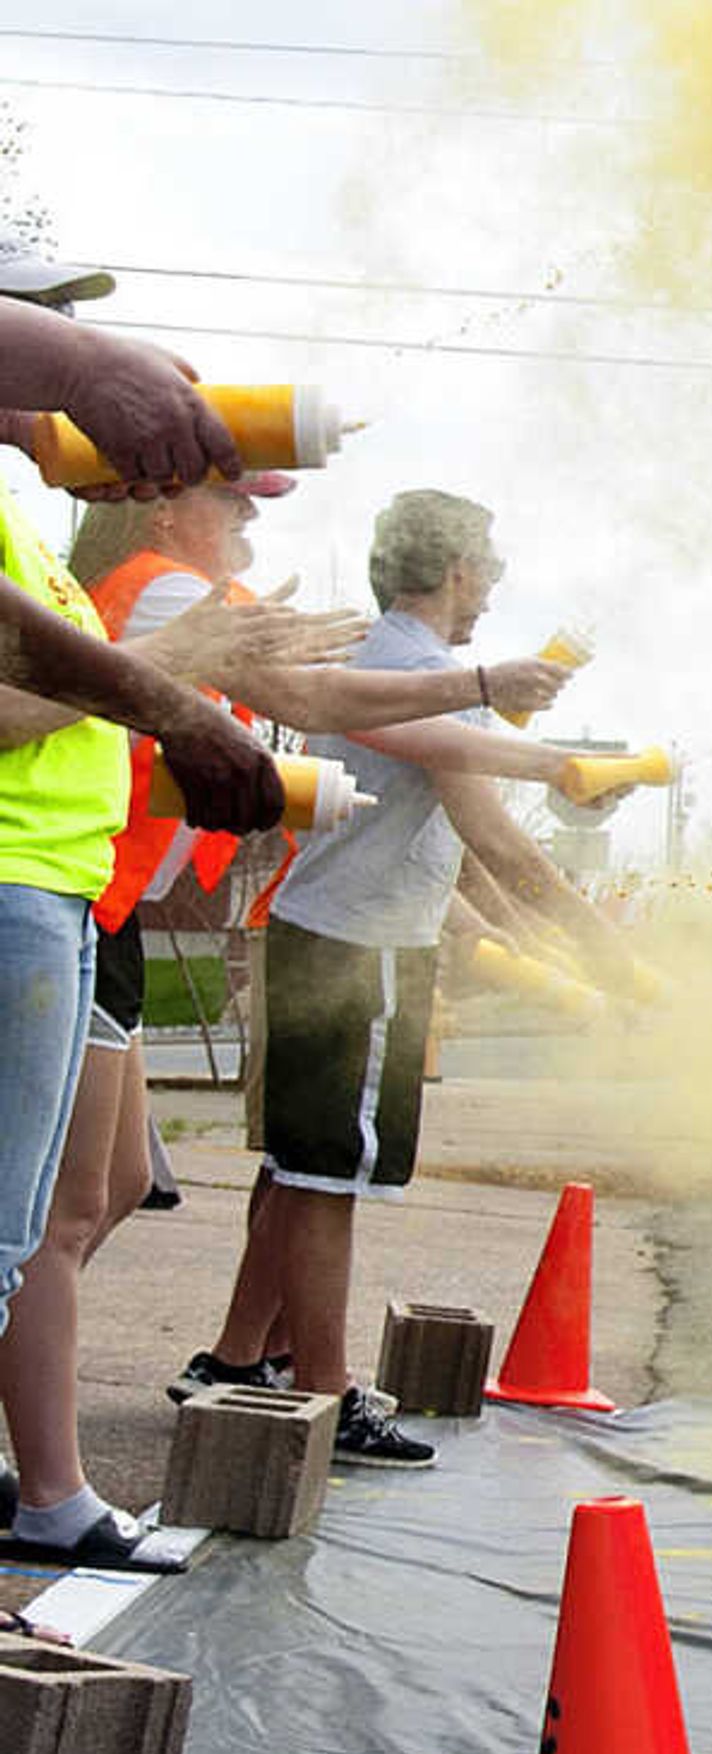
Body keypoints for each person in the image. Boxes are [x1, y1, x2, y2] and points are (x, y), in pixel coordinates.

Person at [0, 476, 576, 1554]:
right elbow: (325, 706)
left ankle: (64, 1438)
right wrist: (511, 708)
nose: (252, 525)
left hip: (89, 896)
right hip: (56, 888)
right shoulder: (169, 592)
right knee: (60, 1217)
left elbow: (323, 704)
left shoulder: (160, 586)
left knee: (105, 1194)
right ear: (172, 509)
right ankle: (50, 1483)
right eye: (236, 500)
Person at [183, 488, 643, 1468]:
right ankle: (324, 1392)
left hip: (338, 936)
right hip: (361, 953)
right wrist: (614, 959)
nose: (493, 590)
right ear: (458, 573)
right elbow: (496, 838)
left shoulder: (386, 661)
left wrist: (544, 952)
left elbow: (461, 856)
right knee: (326, 1182)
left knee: (300, 1171)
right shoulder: (429, 676)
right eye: (490, 570)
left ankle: (245, 1364)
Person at [0, 261, 288, 1547]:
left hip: (59, 900)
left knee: (41, 1224)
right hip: (29, 890)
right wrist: (167, 687)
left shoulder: (30, 527)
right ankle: (53, 1494)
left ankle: (46, 1488)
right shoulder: (129, 579)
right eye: (47, 327)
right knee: (43, 1223)